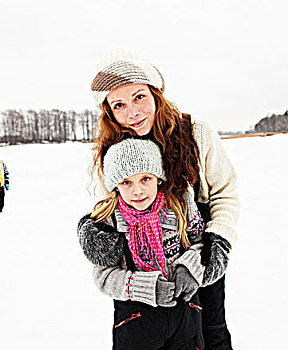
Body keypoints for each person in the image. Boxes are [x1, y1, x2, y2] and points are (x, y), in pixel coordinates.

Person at [79, 48, 238, 349]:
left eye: (139, 97)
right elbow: (106, 207)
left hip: (197, 250)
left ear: (155, 93)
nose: (132, 113)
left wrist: (217, 242)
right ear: (109, 111)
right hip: (142, 272)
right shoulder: (111, 151)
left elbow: (224, 192)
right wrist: (94, 233)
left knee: (212, 331)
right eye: (119, 105)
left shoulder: (195, 132)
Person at [79, 138, 209, 349]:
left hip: (184, 316)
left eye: (145, 179)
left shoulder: (180, 206)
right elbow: (103, 277)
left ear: (159, 178)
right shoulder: (111, 220)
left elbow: (201, 243)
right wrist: (146, 288)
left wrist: (189, 268)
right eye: (126, 182)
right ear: (115, 186)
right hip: (136, 322)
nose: (137, 191)